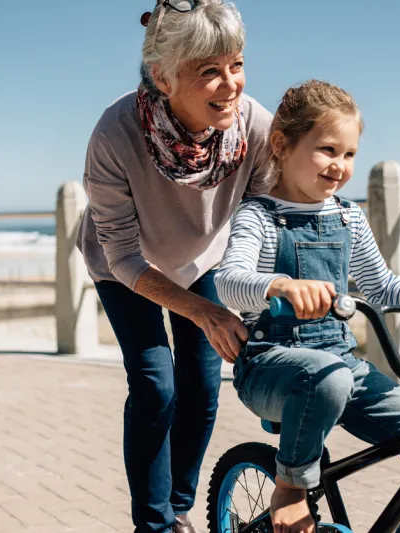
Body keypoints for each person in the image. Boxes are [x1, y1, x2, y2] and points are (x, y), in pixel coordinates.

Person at [215, 80, 400, 533]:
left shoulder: (347, 216)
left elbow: (380, 287)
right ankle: (291, 484)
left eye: (349, 154)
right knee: (327, 380)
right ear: (281, 144)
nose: (339, 166)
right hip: (271, 365)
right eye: (327, 150)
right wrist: (279, 286)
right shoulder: (258, 215)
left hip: (341, 365)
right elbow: (229, 282)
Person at [75, 1, 276, 531]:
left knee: (203, 386)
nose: (230, 84)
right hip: (125, 264)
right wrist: (205, 314)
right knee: (156, 383)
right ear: (163, 77)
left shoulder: (254, 125)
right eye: (209, 71)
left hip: (201, 256)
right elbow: (120, 254)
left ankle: (180, 509)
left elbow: (267, 220)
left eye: (235, 65)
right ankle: (155, 524)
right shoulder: (114, 134)